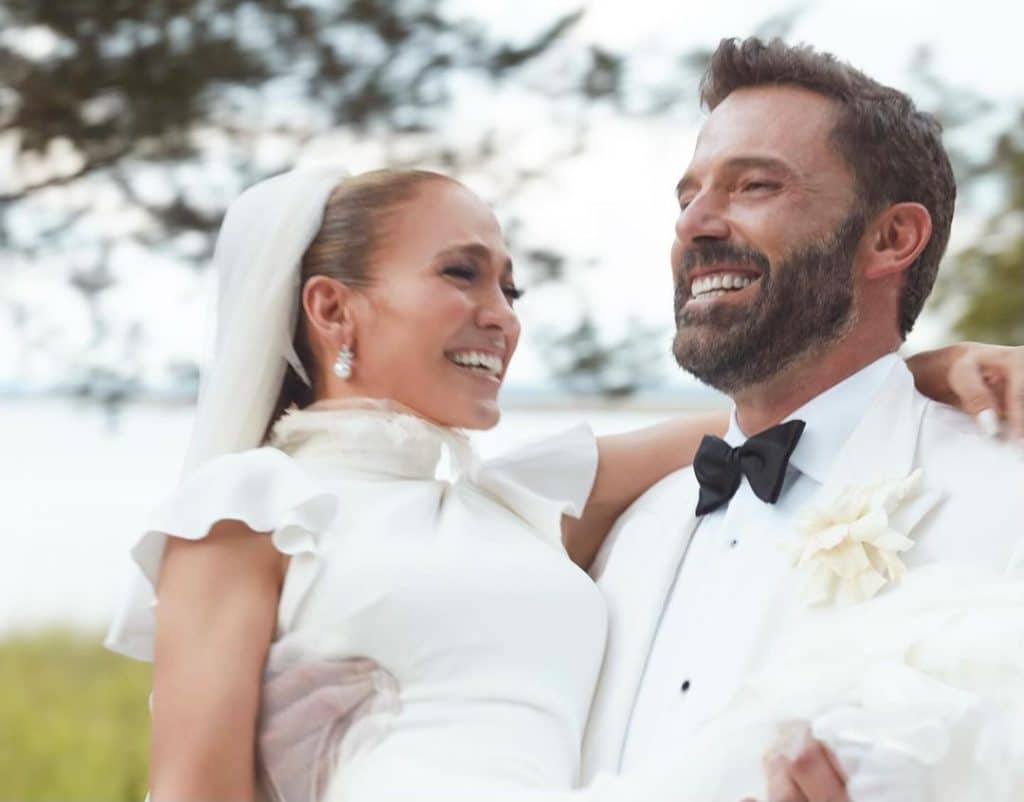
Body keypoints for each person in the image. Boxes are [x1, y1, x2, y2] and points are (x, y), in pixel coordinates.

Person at [104, 165, 1020, 802]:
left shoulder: (515, 500)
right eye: (460, 274)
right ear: (332, 307)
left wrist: (934, 368)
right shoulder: (250, 507)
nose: (499, 318)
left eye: (511, 288)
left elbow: (765, 420)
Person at [582, 37, 1024, 802]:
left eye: (753, 186)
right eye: (687, 197)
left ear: (891, 238)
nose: (696, 224)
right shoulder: (630, 534)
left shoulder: (1004, 494)